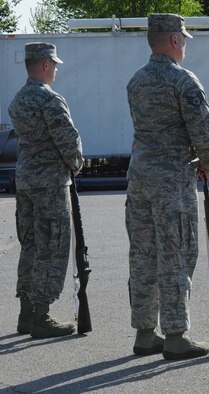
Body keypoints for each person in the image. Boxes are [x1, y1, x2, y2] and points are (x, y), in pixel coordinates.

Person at [126, 13, 209, 360]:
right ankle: (176, 335)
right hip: (171, 181)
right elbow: (205, 130)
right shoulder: (182, 80)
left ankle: (145, 331)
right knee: (176, 253)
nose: (186, 45)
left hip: (139, 180)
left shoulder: (136, 81)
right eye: (184, 39)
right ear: (175, 40)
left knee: (144, 255)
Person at [8, 42, 84, 338]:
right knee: (52, 247)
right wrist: (76, 163)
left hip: (26, 180)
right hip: (50, 184)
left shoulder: (18, 100)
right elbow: (67, 139)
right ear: (44, 65)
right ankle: (42, 315)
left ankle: (26, 314)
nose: (55, 70)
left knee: (30, 246)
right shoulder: (50, 99)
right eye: (53, 64)